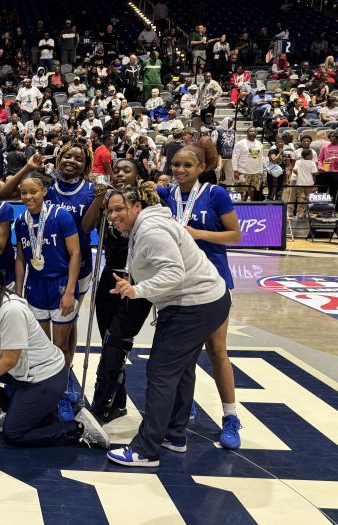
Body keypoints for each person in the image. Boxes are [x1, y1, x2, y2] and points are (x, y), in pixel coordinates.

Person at [105, 183, 232, 467]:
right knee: (182, 369)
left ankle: (146, 450)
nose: (113, 215)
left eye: (119, 209)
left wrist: (136, 290)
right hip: (208, 300)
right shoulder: (147, 225)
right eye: (110, 210)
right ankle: (174, 435)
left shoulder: (151, 231)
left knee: (161, 372)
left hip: (193, 305)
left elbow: (174, 272)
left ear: (137, 207)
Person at [0, 264, 109, 448]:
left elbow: (9, 361)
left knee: (13, 434)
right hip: (24, 372)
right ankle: (13, 410)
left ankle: (78, 428)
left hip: (45, 378)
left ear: (0, 286)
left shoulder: (11, 311)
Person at [158, 143, 243, 449]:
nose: (179, 170)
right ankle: (184, 404)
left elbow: (235, 235)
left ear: (200, 168)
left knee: (217, 349)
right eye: (175, 164)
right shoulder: (164, 195)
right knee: (183, 353)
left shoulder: (215, 194)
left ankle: (230, 416)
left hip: (214, 281)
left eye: (186, 166)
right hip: (179, 283)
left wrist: (199, 234)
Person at [82, 159, 153, 423]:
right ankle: (118, 402)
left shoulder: (148, 205)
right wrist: (100, 199)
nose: (121, 173)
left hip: (136, 282)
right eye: (118, 169)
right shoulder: (108, 202)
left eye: (127, 169)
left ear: (138, 174)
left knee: (117, 343)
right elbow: (86, 227)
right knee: (109, 342)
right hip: (109, 279)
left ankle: (100, 406)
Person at [13, 171, 81, 422]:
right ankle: (47, 392)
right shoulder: (20, 221)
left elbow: (75, 253)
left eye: (33, 191)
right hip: (36, 287)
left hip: (60, 284)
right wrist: (19, 292)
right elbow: (20, 258)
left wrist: (71, 290)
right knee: (43, 348)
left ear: (43, 191)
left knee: (61, 345)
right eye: (23, 193)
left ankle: (63, 391)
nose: (28, 196)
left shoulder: (60, 215)